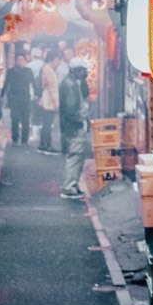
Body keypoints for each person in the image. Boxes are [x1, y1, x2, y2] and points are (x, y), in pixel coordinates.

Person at [59, 56, 90, 199]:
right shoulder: (70, 85)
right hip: (74, 128)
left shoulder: (73, 82)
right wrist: (79, 121)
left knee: (77, 157)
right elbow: (71, 110)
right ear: (77, 70)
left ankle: (73, 185)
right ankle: (69, 187)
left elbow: (85, 93)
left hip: (73, 126)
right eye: (84, 71)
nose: (86, 73)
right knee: (75, 157)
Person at [1, 52, 34, 144]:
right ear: (15, 61)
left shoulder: (28, 71)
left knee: (26, 119)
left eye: (22, 60)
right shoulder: (11, 71)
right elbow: (6, 83)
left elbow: (33, 83)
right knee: (15, 118)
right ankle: (15, 138)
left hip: (25, 98)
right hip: (14, 98)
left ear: (25, 61)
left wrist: (37, 94)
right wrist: (2, 94)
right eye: (18, 60)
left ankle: (24, 139)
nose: (20, 62)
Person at [38, 49, 61, 154]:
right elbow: (52, 88)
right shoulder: (48, 70)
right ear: (52, 60)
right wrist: (56, 102)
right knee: (47, 124)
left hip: (46, 99)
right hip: (49, 101)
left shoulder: (46, 68)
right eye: (57, 60)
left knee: (46, 124)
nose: (58, 63)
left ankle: (43, 144)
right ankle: (46, 145)